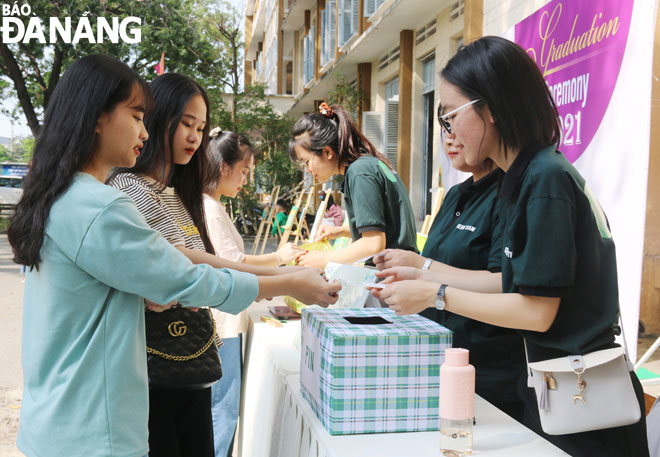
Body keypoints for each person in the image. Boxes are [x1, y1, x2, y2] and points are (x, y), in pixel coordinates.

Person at [7, 55, 338, 457]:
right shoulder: (101, 206)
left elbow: (171, 274)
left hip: (61, 418)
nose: (143, 130)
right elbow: (183, 277)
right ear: (96, 116)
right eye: (136, 115)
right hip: (94, 428)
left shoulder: (65, 197)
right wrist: (286, 282)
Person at [371, 36, 649, 457]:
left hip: (582, 402)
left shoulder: (545, 179)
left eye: (450, 115)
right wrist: (422, 272)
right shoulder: (525, 178)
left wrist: (435, 293)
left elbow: (536, 312)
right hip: (552, 389)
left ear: (493, 108)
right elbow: (509, 284)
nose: (447, 130)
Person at [107, 73, 340, 457]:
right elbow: (186, 267)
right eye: (185, 124)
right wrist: (287, 279)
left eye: (200, 127)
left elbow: (202, 264)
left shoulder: (175, 194)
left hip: (190, 357)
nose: (195, 137)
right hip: (154, 366)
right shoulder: (129, 190)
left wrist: (287, 275)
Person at [373, 128, 525, 422]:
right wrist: (414, 273)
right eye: (445, 127)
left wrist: (424, 274)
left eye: (458, 123)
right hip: (439, 354)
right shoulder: (456, 193)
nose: (450, 139)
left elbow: (502, 282)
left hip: (488, 366)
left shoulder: (509, 196)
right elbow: (436, 266)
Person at [202, 127, 304, 456]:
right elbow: (234, 267)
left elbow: (237, 259)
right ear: (223, 168)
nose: (246, 180)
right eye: (244, 171)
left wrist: (280, 262)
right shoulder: (211, 209)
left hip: (225, 319)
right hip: (223, 323)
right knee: (224, 410)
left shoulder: (212, 206)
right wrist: (287, 277)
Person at [290, 102, 417, 268]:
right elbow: (386, 225)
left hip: (391, 276)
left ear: (327, 152)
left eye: (307, 162)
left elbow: (374, 243)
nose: (307, 170)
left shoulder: (359, 173)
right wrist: (340, 231)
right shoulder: (370, 164)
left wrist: (324, 259)